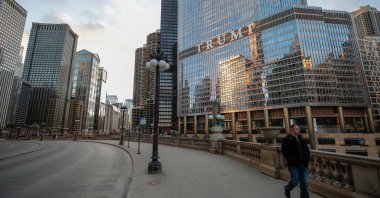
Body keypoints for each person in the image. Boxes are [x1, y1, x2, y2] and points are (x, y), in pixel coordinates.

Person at [281, 124, 310, 198]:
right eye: (297, 129)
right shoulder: (287, 139)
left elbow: (307, 150)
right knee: (295, 181)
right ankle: (287, 188)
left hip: (303, 164)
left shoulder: (301, 139)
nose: (298, 130)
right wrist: (291, 160)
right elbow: (284, 151)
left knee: (304, 183)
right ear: (292, 130)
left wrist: (307, 160)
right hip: (293, 165)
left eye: (298, 129)